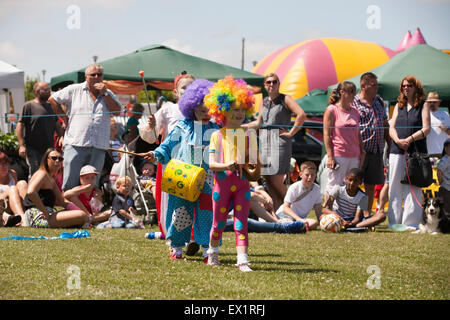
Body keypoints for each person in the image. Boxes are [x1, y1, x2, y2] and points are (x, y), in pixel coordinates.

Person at [143, 79, 218, 261]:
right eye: (199, 104)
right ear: (190, 106)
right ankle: (176, 248)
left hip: (207, 179)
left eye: (207, 104)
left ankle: (209, 250)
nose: (203, 108)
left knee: (206, 214)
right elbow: (167, 146)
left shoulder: (216, 129)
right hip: (183, 176)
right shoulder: (182, 126)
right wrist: (155, 154)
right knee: (180, 214)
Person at [205, 75, 259, 272]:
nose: (239, 113)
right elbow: (211, 164)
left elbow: (254, 168)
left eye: (242, 109)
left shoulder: (249, 135)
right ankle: (212, 252)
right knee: (218, 224)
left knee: (241, 223)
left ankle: (242, 260)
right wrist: (227, 165)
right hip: (221, 187)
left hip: (243, 187)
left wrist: (255, 166)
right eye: (235, 109)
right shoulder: (216, 136)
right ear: (223, 111)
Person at [48, 64, 122, 191]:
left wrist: (105, 94)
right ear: (86, 77)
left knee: (92, 184)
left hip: (98, 145)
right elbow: (53, 99)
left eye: (100, 74)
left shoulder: (108, 93)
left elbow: (116, 111)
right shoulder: (74, 89)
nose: (97, 77)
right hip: (76, 143)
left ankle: (90, 208)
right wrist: (64, 118)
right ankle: (70, 208)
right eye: (93, 75)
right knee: (71, 182)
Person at [243, 73, 306, 211]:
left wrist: (291, 132)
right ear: (265, 85)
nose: (272, 85)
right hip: (265, 141)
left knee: (277, 181)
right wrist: (241, 126)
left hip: (280, 142)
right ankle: (277, 212)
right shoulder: (264, 101)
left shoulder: (285, 99)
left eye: (274, 82)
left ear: (279, 83)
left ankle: (294, 209)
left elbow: (301, 114)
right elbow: (259, 123)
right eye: (269, 82)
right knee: (269, 179)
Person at [388, 75, 430, 229]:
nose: (406, 88)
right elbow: (391, 127)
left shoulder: (423, 105)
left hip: (415, 153)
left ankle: (411, 223)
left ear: (415, 87)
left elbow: (426, 129)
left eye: (409, 86)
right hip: (396, 151)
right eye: (404, 86)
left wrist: (410, 139)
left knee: (413, 186)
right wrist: (398, 140)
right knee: (394, 187)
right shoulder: (398, 106)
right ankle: (394, 222)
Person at [22, 148, 91, 228]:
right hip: (37, 216)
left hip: (48, 214)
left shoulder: (51, 179)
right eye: (54, 158)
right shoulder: (42, 174)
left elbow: (62, 201)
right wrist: (44, 211)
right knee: (81, 215)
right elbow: (31, 192)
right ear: (46, 160)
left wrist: (81, 211)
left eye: (60, 159)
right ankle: (86, 220)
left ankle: (87, 219)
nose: (57, 161)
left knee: (81, 214)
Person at [353, 72, 390, 215]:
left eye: (377, 85)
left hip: (377, 151)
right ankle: (353, 214)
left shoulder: (379, 101)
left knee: (371, 185)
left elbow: (385, 123)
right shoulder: (354, 102)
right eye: (373, 85)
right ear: (363, 86)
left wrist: (389, 142)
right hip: (359, 151)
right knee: (354, 183)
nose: (376, 88)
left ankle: (367, 213)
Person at [323, 81, 365, 198]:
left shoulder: (355, 112)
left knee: (350, 186)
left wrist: (362, 150)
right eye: (351, 92)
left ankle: (345, 213)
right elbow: (327, 135)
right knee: (334, 186)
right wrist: (330, 157)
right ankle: (328, 212)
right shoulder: (332, 110)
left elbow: (358, 133)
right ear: (342, 92)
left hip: (354, 155)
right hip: (339, 154)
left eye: (354, 92)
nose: (353, 95)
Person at [16, 82, 64, 178]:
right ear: (37, 91)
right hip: (32, 148)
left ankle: (46, 192)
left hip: (49, 149)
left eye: (49, 90)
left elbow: (57, 124)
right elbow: (20, 125)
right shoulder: (28, 106)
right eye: (46, 90)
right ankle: (32, 193)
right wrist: (21, 145)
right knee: (35, 173)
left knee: (49, 174)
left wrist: (61, 136)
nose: (49, 92)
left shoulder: (51, 107)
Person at [275, 161, 323, 230]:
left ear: (315, 175)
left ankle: (296, 227)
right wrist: (298, 219)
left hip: (301, 219)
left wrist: (321, 222)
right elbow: (285, 208)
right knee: (291, 223)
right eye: (307, 175)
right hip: (285, 215)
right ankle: (293, 226)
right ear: (300, 174)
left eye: (312, 175)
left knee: (314, 222)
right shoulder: (294, 187)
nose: (309, 177)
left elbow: (318, 208)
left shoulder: (317, 188)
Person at [0, 152, 28, 227]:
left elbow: (17, 192)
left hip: (13, 204)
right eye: (1, 164)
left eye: (5, 163)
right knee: (12, 189)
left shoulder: (12, 173)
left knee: (22, 183)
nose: (4, 166)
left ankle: (29, 213)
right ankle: (23, 219)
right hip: (2, 207)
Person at [425, 92, 450, 158]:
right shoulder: (423, 114)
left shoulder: (445, 114)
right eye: (430, 102)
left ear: (439, 103)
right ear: (427, 103)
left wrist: (446, 129)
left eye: (434, 102)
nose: (432, 104)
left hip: (442, 152)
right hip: (426, 152)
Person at [437, 138, 450, 216]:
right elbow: (439, 171)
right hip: (445, 188)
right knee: (445, 210)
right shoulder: (445, 159)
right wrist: (440, 180)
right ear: (446, 149)